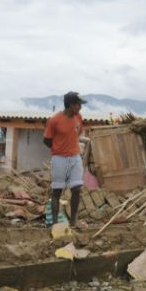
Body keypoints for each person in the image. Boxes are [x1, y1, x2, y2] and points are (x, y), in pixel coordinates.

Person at [43, 91, 88, 229]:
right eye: (78, 104)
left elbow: (77, 133)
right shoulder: (54, 120)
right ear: (71, 105)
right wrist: (58, 148)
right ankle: (55, 224)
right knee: (57, 191)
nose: (80, 107)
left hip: (75, 157)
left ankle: (73, 221)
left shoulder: (78, 117)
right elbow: (46, 140)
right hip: (59, 158)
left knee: (77, 189)